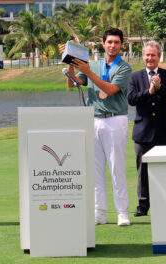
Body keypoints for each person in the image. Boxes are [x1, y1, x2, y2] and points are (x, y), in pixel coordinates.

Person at [59, 28, 132, 226]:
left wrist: (88, 71)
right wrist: (71, 64)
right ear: (103, 43)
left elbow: (109, 89)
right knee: (96, 169)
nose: (113, 46)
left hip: (115, 119)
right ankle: (99, 212)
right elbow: (72, 84)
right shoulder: (95, 64)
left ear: (121, 45)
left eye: (117, 42)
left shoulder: (124, 68)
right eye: (109, 42)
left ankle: (122, 212)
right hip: (94, 119)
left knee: (117, 168)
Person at [128, 41, 166, 217]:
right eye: (147, 55)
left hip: (164, 130)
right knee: (143, 171)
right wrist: (150, 92)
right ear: (143, 56)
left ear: (159, 56)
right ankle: (143, 205)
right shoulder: (135, 77)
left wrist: (160, 88)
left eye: (153, 55)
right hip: (143, 131)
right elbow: (132, 99)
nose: (150, 58)